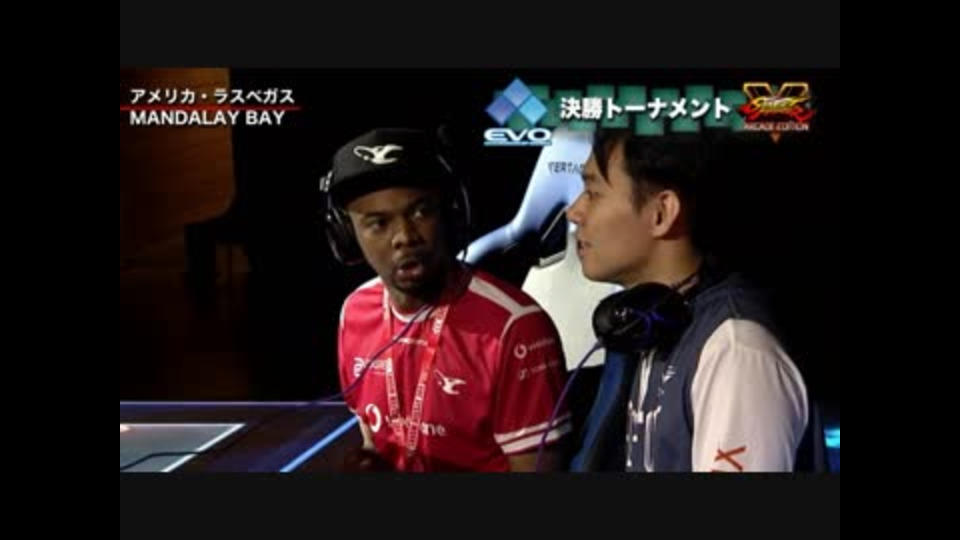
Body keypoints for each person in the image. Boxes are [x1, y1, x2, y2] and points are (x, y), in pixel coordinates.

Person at [323, 127, 571, 472]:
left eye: (420, 212)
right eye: (378, 223)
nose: (405, 236)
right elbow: (373, 437)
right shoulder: (354, 312)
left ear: (450, 214)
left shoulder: (515, 328)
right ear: (347, 236)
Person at [567, 129, 809, 472]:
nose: (574, 212)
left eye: (593, 193)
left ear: (662, 212)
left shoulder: (735, 351)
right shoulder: (650, 325)